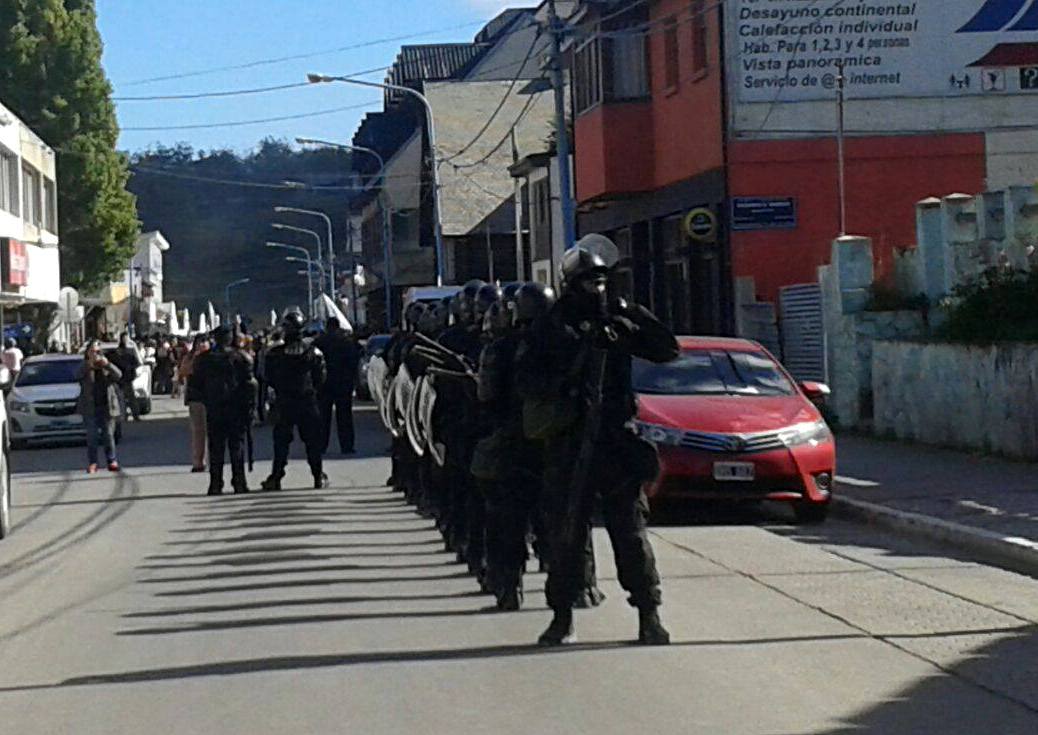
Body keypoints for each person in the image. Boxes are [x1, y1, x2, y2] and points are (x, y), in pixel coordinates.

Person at [518, 236, 680, 647]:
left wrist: (629, 323)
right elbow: (527, 381)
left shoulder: (617, 317)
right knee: (565, 535)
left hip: (615, 443)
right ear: (572, 283)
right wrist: (572, 368)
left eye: (603, 279)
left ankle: (649, 613)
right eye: (590, 280)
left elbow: (667, 348)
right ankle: (562, 615)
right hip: (571, 444)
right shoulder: (552, 325)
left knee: (630, 532)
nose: (598, 288)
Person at [261, 309, 328, 491]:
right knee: (312, 442)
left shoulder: (274, 354)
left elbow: (268, 378)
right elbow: (320, 378)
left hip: (285, 401)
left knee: (281, 443)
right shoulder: (314, 352)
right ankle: (317, 476)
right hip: (307, 400)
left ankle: (276, 477)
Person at [193, 326, 257, 496]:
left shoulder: (204, 359)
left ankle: (215, 484)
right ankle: (239, 482)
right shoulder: (242, 357)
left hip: (215, 408)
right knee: (237, 447)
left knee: (216, 447)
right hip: (236, 408)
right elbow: (251, 384)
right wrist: (251, 407)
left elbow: (196, 385)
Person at [314, 317, 360, 455]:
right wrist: (353, 381)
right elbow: (354, 362)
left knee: (323, 417)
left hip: (325, 384)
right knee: (345, 417)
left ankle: (321, 446)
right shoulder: (346, 343)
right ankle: (347, 446)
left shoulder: (320, 342)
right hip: (343, 384)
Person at [76, 341, 123, 473]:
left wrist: (107, 365)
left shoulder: (106, 365)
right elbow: (76, 376)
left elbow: (119, 375)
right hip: (90, 406)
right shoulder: (85, 366)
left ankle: (112, 460)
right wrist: (88, 365)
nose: (95, 355)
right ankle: (93, 463)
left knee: (108, 436)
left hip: (107, 405)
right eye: (92, 352)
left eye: (97, 352)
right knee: (92, 437)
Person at [179, 335, 210, 472]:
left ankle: (212, 460)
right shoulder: (190, 358)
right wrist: (196, 359)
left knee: (212, 431)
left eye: (205, 342)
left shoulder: (213, 357)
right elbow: (183, 372)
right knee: (198, 431)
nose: (202, 344)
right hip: (196, 397)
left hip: (211, 397)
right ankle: (198, 461)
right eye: (199, 342)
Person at [111, 333, 141, 422]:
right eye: (124, 338)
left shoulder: (130, 352)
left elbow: (137, 363)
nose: (125, 340)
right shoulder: (116, 353)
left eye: (126, 338)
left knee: (131, 398)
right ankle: (123, 416)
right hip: (118, 379)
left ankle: (135, 415)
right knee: (121, 399)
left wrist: (130, 368)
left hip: (128, 378)